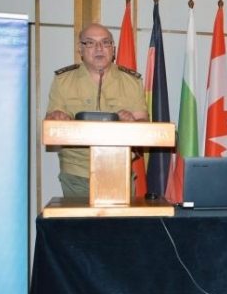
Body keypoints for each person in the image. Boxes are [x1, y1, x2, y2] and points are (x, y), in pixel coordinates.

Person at [45, 22, 149, 197]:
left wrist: (132, 122)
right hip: (77, 173)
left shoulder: (132, 82)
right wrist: (57, 118)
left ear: (113, 49)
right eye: (91, 43)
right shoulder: (63, 80)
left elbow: (145, 127)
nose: (99, 48)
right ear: (80, 49)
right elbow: (50, 128)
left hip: (119, 171)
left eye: (105, 42)